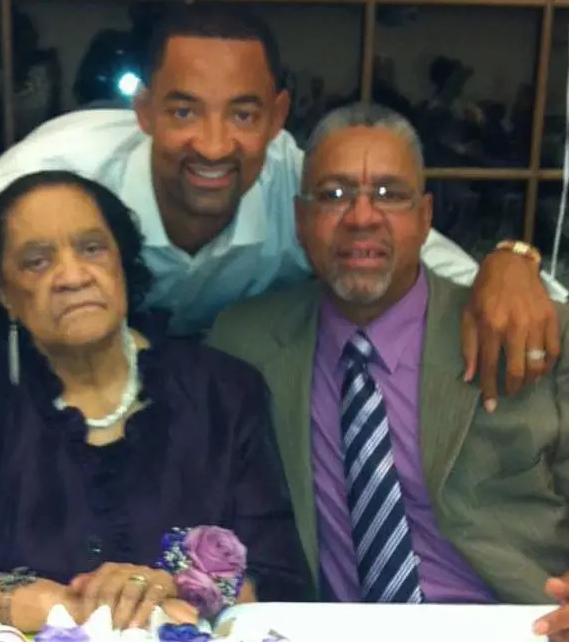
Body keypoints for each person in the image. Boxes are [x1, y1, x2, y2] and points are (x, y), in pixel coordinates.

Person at [0, 3, 562, 418]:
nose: (214, 144)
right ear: (142, 111)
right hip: (58, 409)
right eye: (183, 111)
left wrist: (511, 262)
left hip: (220, 415)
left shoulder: (302, 190)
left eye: (245, 114)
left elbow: (421, 257)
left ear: (278, 118)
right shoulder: (42, 181)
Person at [207, 103, 569, 641]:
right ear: (301, 220)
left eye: (389, 195)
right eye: (332, 195)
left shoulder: (525, 328)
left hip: (522, 626)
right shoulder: (244, 343)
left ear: (426, 217)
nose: (361, 216)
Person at [0, 170, 309, 632]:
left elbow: (275, 580)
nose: (71, 275)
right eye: (37, 262)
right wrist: (66, 607)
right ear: (5, 293)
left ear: (122, 260)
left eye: (91, 248)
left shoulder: (222, 392)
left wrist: (169, 589)